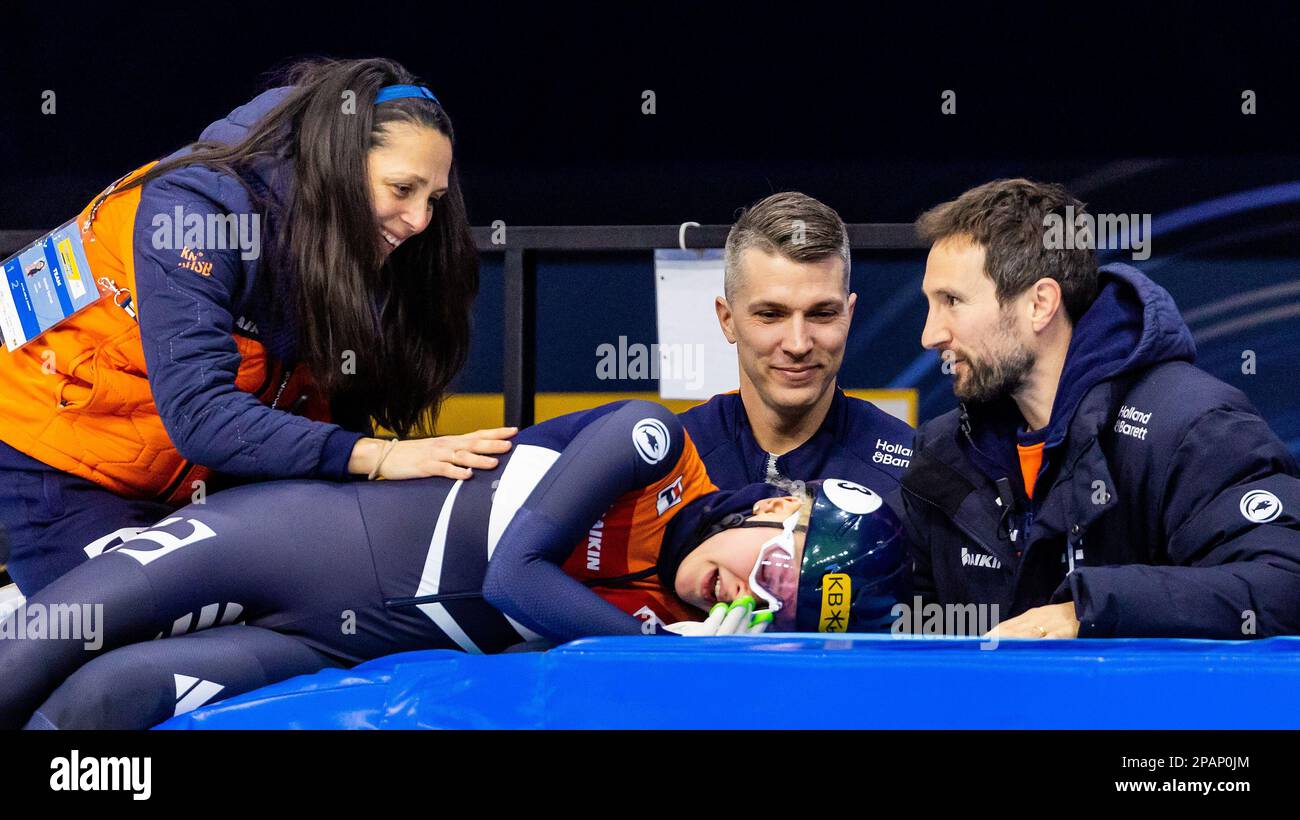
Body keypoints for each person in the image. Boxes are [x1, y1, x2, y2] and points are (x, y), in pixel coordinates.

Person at [0, 400, 908, 729]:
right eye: (772, 574)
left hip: (328, 646)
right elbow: (515, 574)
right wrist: (659, 648)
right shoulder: (656, 444)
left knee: (98, 709)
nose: (745, 600)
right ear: (776, 507)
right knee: (39, 646)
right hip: (289, 540)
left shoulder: (662, 634)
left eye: (772, 615)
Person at [0, 57, 513, 596]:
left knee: (333, 597)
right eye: (402, 189)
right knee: (140, 633)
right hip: (59, 467)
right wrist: (379, 456)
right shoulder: (193, 214)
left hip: (201, 477)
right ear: (337, 160)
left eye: (432, 198)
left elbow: (311, 412)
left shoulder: (347, 232)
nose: (420, 222)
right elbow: (202, 415)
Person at [901, 178, 1300, 639]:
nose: (930, 335)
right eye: (931, 304)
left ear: (1040, 304)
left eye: (951, 302)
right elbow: (916, 639)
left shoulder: (1191, 426)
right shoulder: (942, 451)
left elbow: (1285, 582)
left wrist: (1088, 610)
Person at [680, 192, 914, 496]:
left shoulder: (913, 476)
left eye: (822, 314)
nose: (798, 344)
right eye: (771, 314)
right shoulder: (673, 461)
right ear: (727, 320)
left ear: (849, 314)